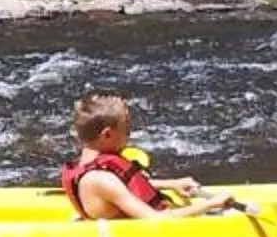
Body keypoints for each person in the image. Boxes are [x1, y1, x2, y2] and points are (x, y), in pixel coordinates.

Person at [60, 93, 238, 221]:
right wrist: (210, 204)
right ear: (107, 135)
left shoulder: (92, 165)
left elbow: (123, 188)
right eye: (126, 132)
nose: (129, 137)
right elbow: (155, 220)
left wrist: (172, 184)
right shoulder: (100, 179)